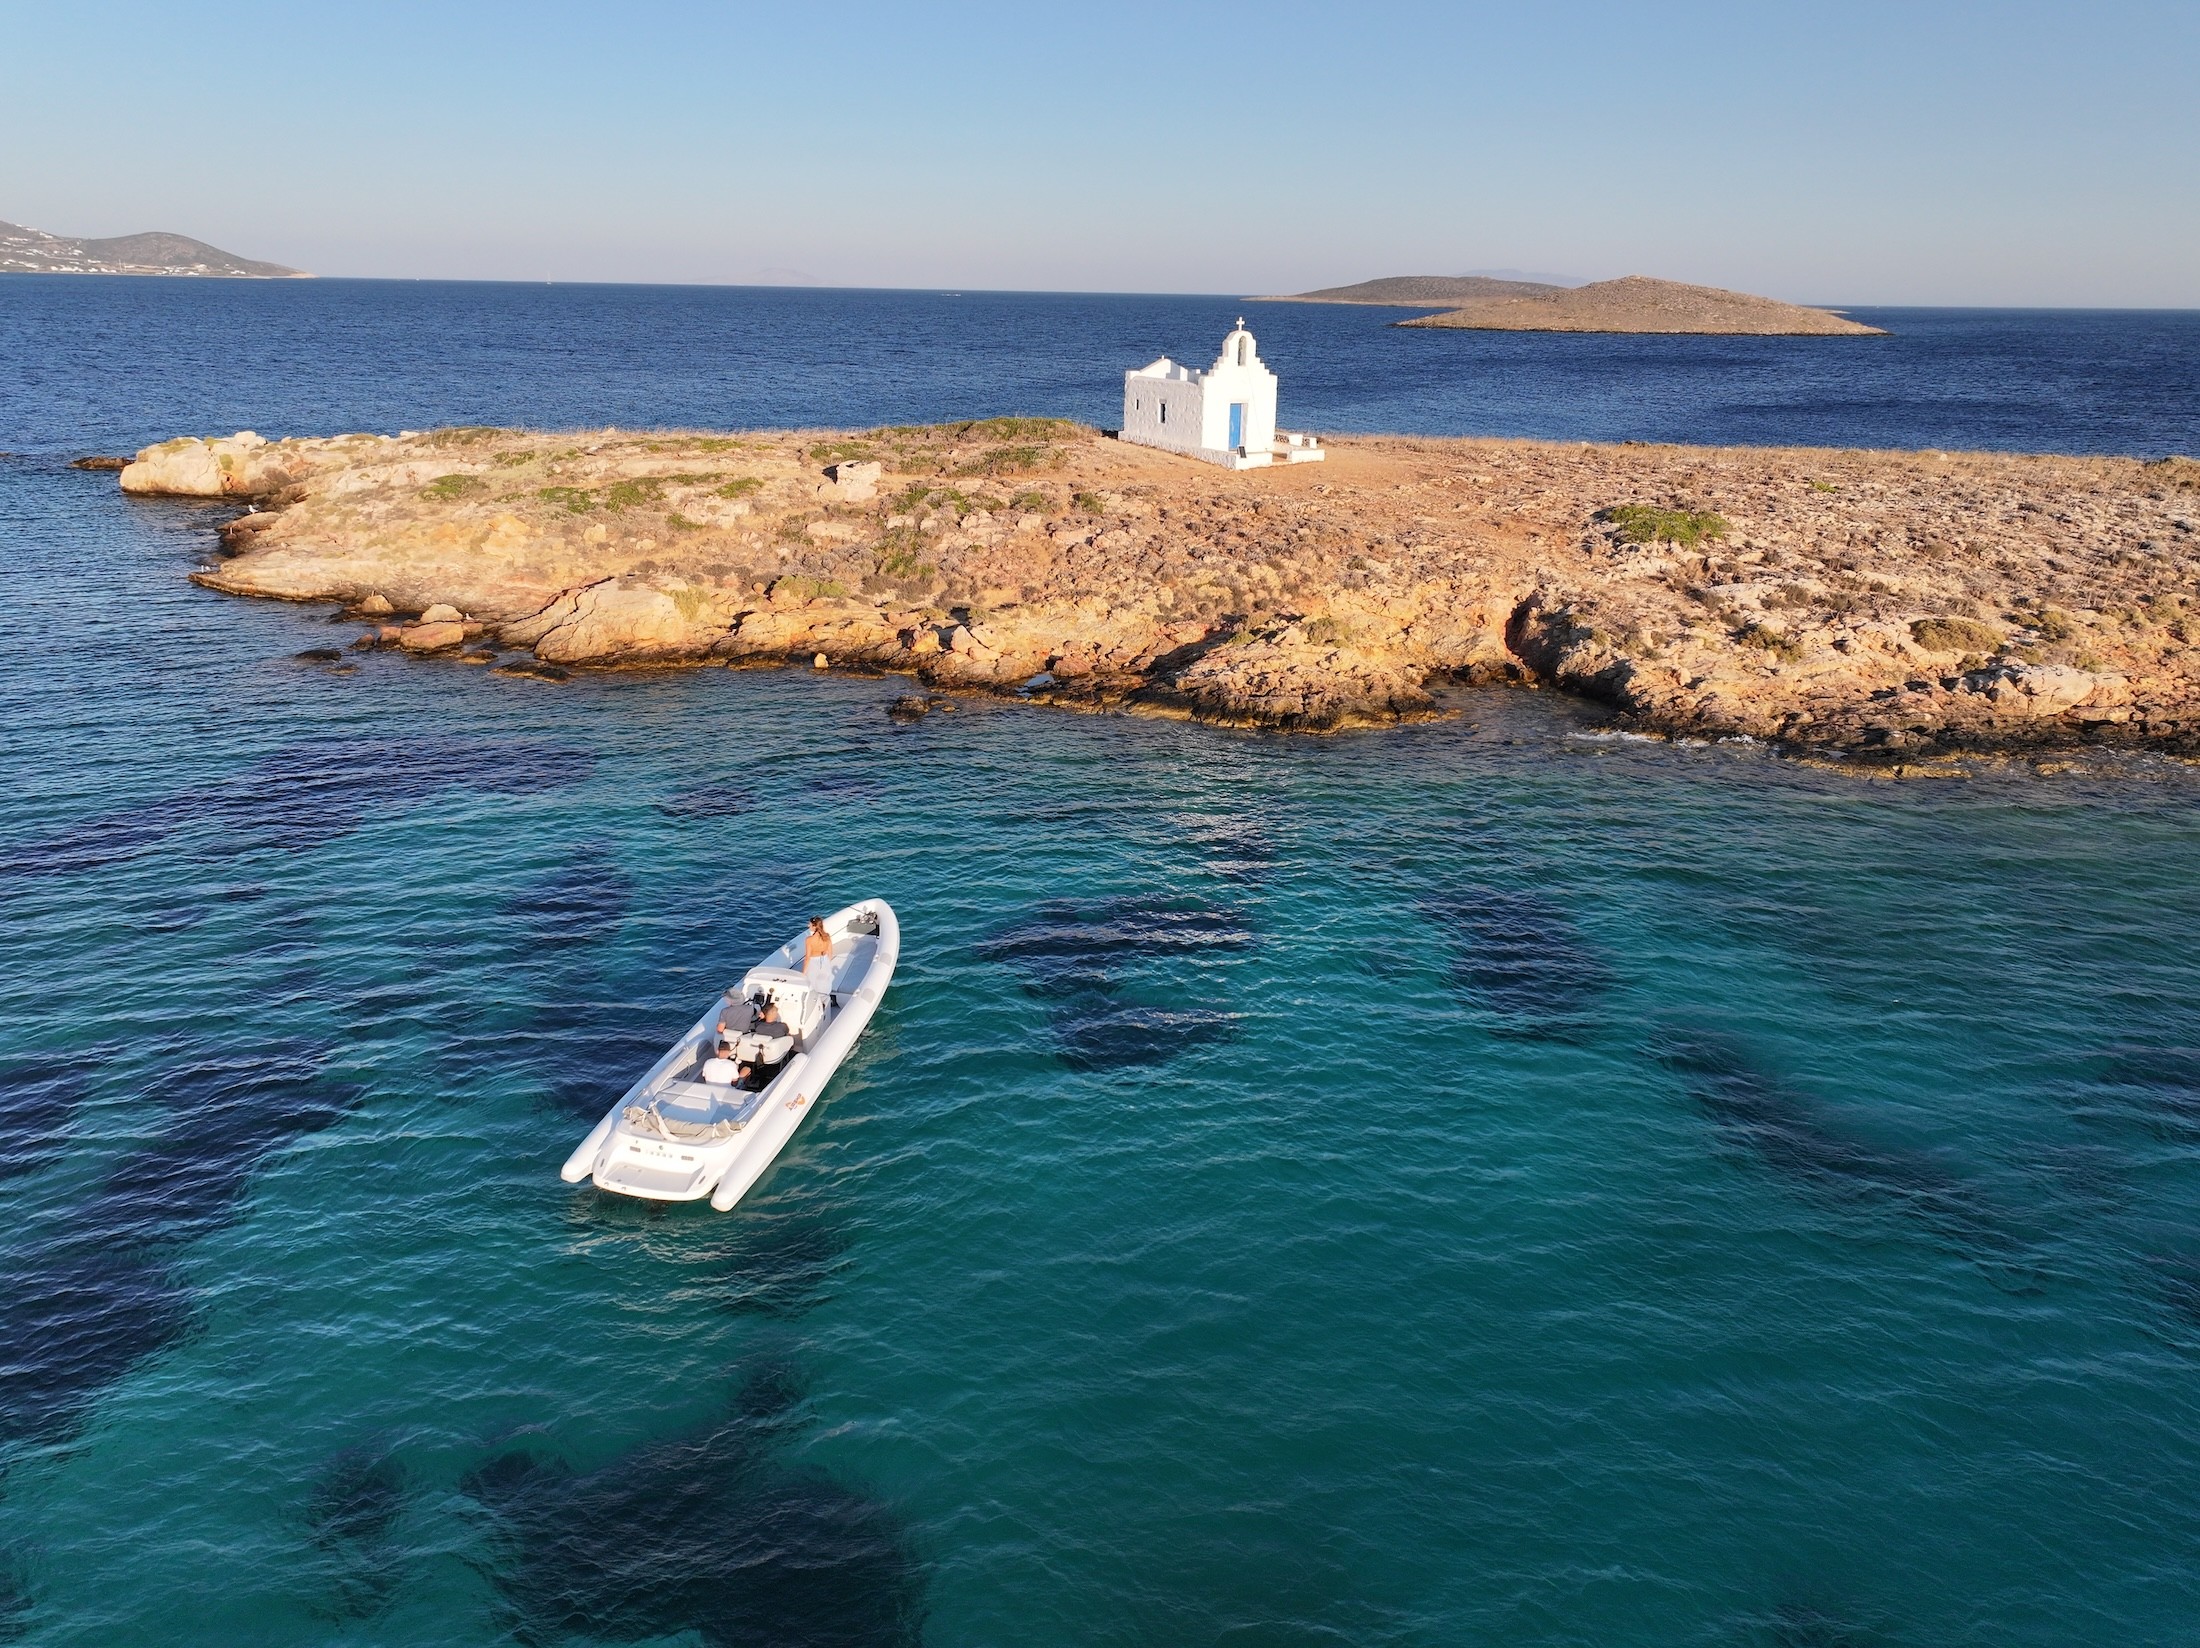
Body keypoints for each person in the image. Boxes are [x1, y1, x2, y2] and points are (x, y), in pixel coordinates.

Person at [803, 916, 836, 1010]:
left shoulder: (809, 940)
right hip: (824, 960)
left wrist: (804, 972)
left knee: (813, 983)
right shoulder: (827, 936)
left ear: (814, 926)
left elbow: (807, 957)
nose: (808, 925)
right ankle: (825, 1002)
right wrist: (827, 963)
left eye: (809, 924)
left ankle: (815, 1005)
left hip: (814, 962)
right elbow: (830, 952)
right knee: (824, 983)